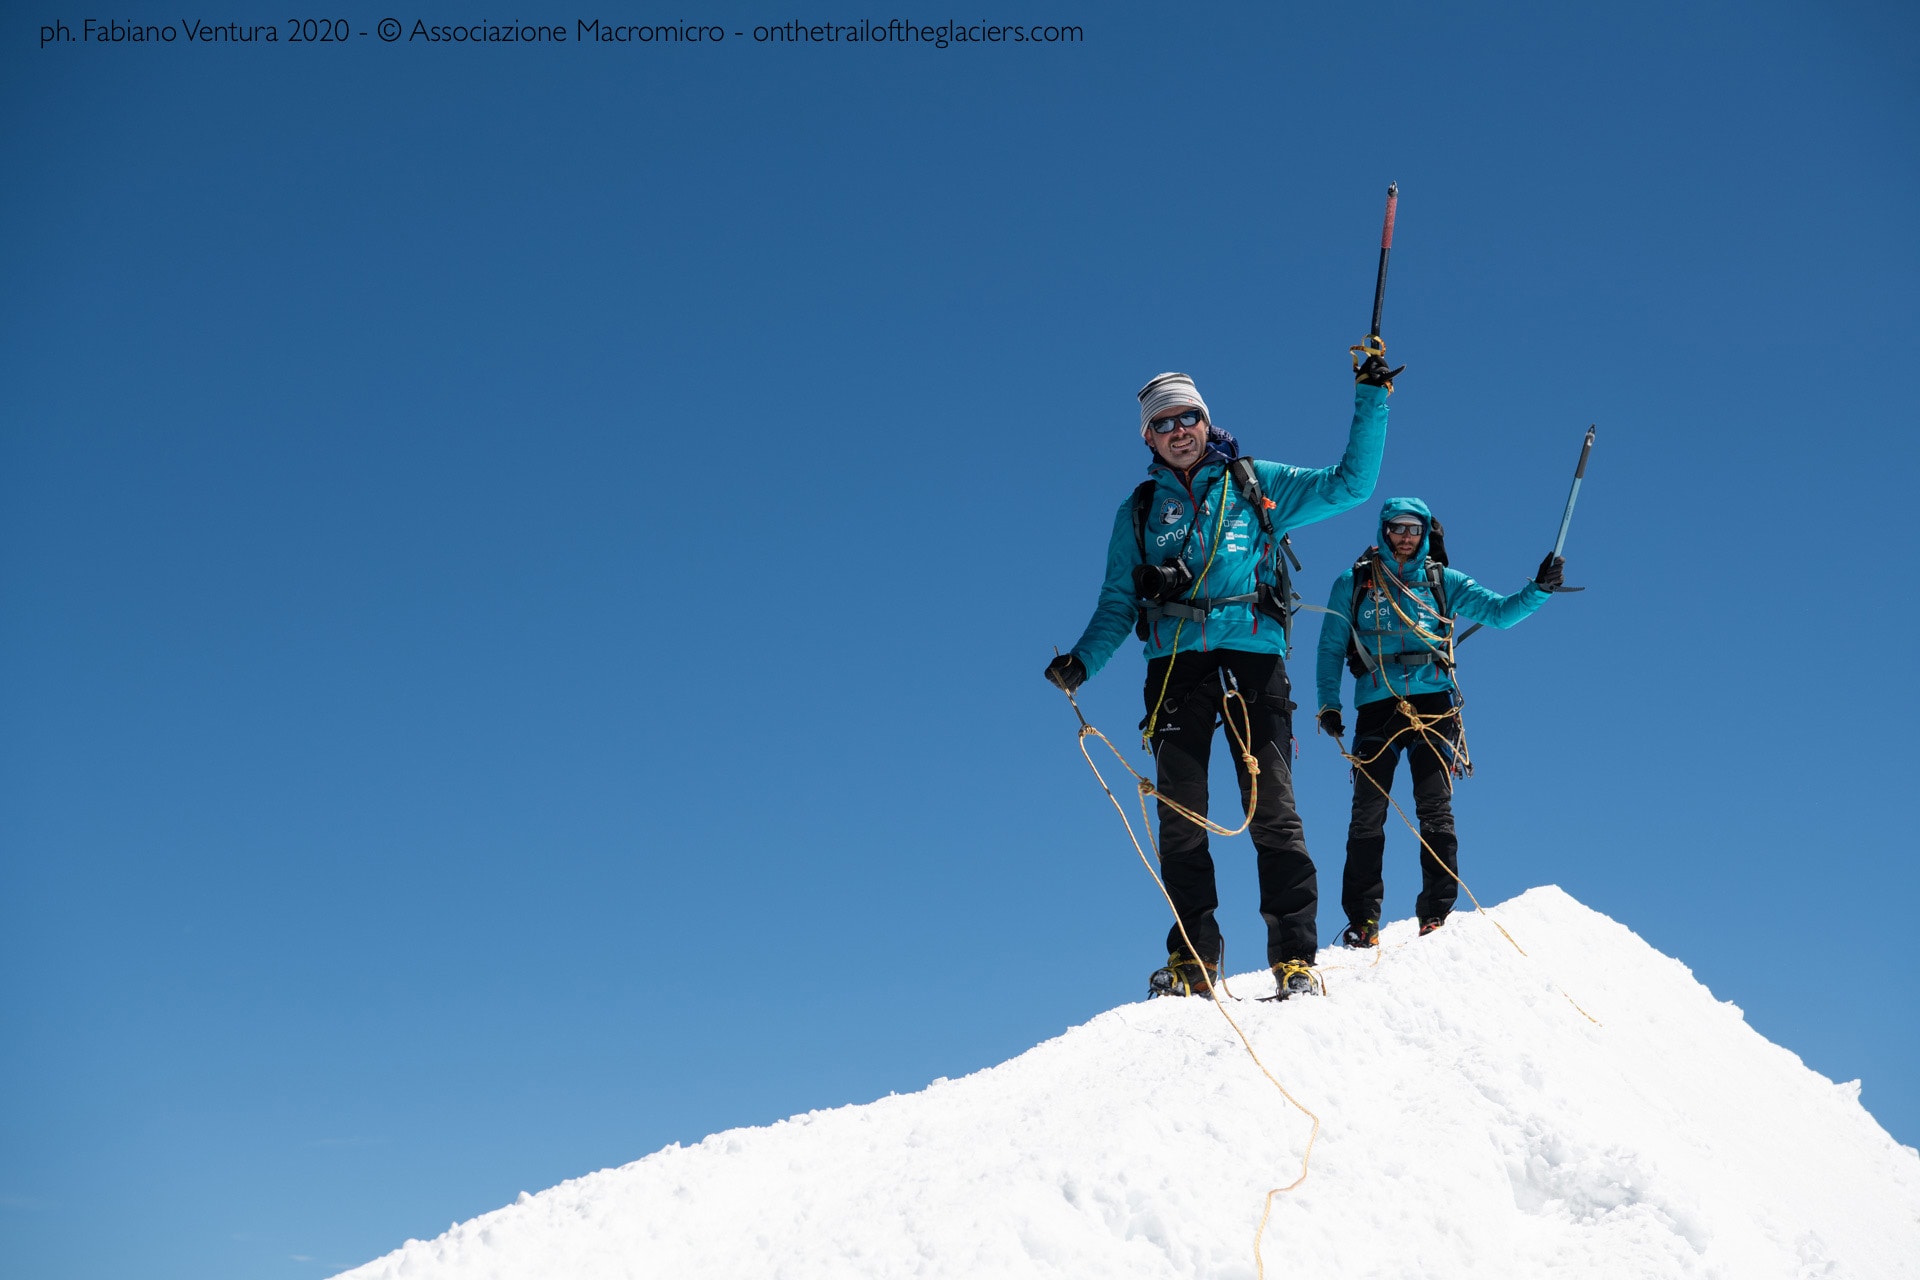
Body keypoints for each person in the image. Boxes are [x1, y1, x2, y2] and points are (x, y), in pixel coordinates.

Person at [1044, 357, 1396, 1000]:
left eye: (1190, 416)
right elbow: (1118, 604)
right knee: (1180, 817)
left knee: (1274, 812)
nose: (1180, 430)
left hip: (1255, 661)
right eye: (1164, 423)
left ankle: (1296, 958)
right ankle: (1193, 962)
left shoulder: (1256, 482)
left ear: (1207, 420)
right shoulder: (1140, 510)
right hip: (1176, 669)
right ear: (1147, 438)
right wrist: (1083, 661)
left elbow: (1351, 486)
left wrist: (1371, 398)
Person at [1312, 497, 1563, 947]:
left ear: (1426, 532)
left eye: (1414, 529)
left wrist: (1539, 589)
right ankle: (1363, 920)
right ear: (1383, 530)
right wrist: (1328, 703)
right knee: (1367, 813)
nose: (1405, 537)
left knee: (1435, 807)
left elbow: (1501, 613)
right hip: (1376, 702)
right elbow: (1330, 646)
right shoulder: (1354, 583)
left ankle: (1436, 914)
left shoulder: (1442, 581)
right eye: (1397, 528)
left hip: (1433, 703)